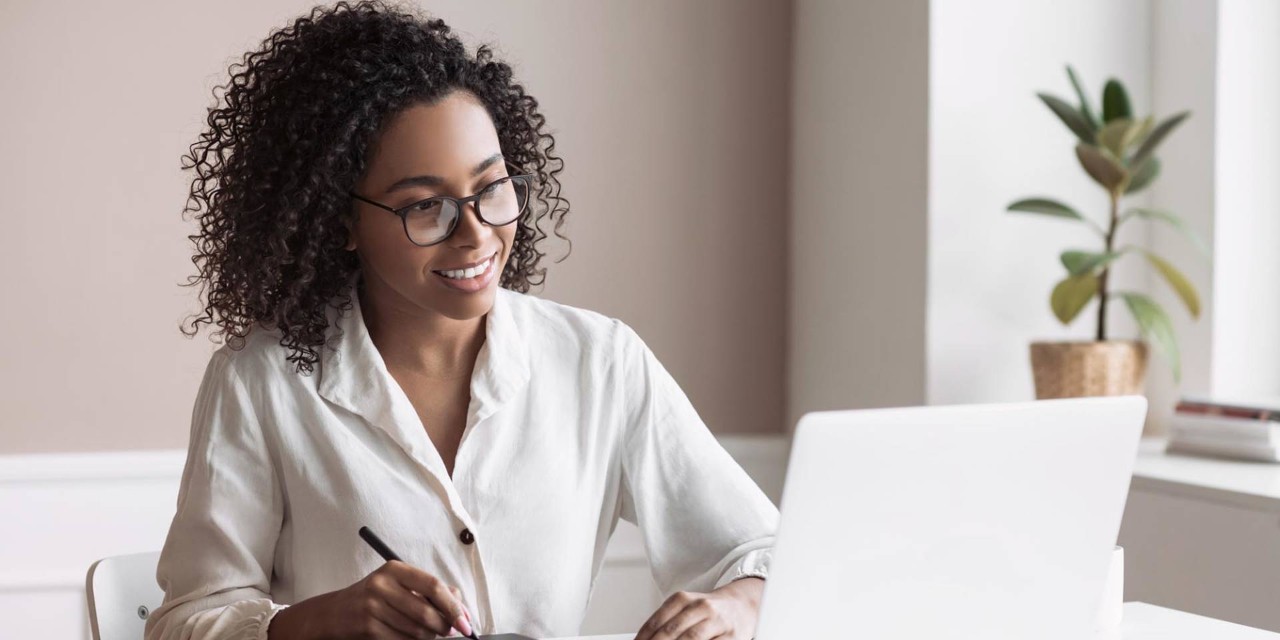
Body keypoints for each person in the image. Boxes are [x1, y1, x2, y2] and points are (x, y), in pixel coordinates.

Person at [144, 2, 778, 639]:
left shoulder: (599, 361)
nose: (476, 235)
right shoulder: (261, 385)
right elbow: (182, 625)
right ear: (339, 222)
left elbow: (762, 551)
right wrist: (321, 621)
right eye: (426, 206)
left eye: (493, 187)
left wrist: (736, 606)